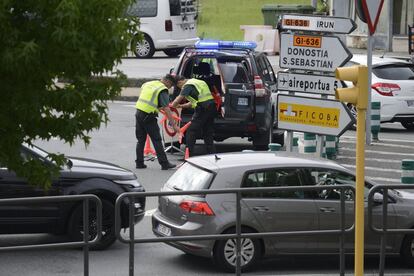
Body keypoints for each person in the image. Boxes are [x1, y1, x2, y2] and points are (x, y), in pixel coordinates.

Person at [135, 74, 180, 170]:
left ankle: (139, 163)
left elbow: (149, 98)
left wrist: (156, 107)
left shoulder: (148, 83)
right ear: (167, 81)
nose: (170, 87)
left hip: (138, 112)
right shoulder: (162, 89)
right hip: (148, 116)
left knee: (141, 140)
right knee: (157, 140)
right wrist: (174, 124)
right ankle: (164, 164)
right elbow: (167, 109)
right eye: (171, 85)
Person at [171, 76, 216, 157]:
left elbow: (179, 98)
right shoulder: (198, 82)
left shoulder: (188, 85)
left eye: (179, 86)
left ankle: (189, 156)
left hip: (203, 109)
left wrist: (172, 105)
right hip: (211, 107)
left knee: (191, 131)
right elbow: (193, 102)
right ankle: (212, 155)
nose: (181, 88)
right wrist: (181, 106)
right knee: (207, 132)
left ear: (180, 82)